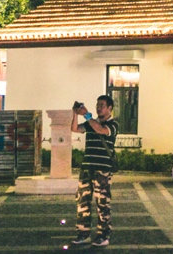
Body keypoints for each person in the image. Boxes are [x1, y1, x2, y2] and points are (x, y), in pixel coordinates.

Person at [71, 95, 119, 247]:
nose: (99, 108)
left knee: (102, 203)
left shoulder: (113, 125)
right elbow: (75, 129)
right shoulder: (90, 122)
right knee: (82, 202)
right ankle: (83, 233)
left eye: (102, 105)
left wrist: (86, 114)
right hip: (87, 168)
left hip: (102, 170)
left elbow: (100, 129)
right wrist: (74, 113)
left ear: (110, 108)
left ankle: (103, 235)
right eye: (97, 105)